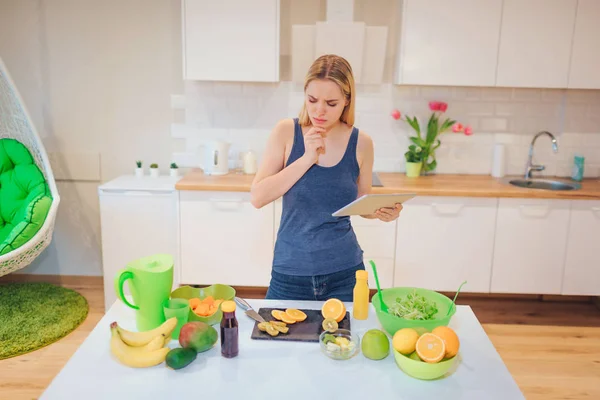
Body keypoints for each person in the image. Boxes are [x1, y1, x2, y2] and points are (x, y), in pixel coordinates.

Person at [250, 54, 403, 302]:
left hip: (345, 272)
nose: (319, 110)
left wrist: (380, 211)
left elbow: (362, 202)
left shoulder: (362, 143)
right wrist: (306, 158)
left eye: (331, 103)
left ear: (346, 100)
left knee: (346, 341)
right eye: (312, 100)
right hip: (291, 271)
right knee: (274, 339)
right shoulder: (286, 132)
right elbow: (257, 197)